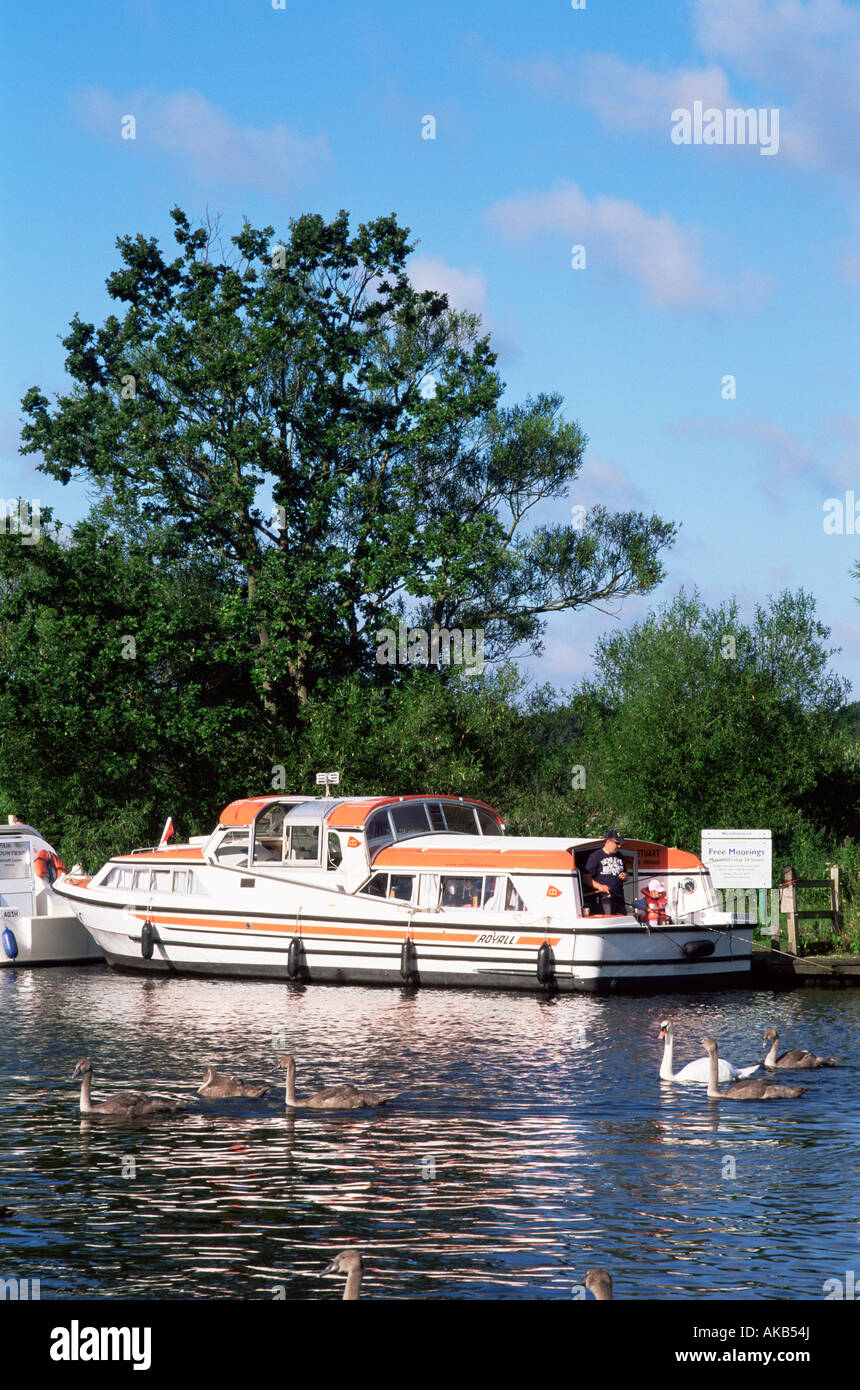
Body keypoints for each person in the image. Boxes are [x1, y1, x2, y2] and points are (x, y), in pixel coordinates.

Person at [584, 832, 629, 916]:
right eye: (617, 843)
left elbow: (626, 877)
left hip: (619, 898)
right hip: (604, 899)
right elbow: (586, 878)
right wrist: (600, 887)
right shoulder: (595, 856)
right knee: (609, 921)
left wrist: (625, 876)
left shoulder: (620, 856)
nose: (619, 846)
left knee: (621, 923)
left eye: (620, 843)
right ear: (608, 841)